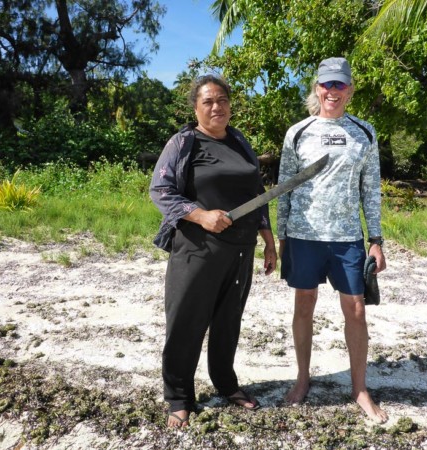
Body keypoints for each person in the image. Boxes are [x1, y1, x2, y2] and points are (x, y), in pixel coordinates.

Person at [149, 74, 277, 428]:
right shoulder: (184, 142)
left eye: (222, 100)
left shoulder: (240, 141)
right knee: (186, 323)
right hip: (197, 248)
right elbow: (161, 191)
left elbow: (257, 193)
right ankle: (178, 396)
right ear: (196, 107)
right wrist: (201, 215)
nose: (216, 106)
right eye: (208, 101)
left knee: (228, 322)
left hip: (240, 249)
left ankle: (225, 383)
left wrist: (268, 239)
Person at [277, 57, 388, 423]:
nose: (333, 92)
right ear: (317, 88)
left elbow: (371, 190)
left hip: (346, 238)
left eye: (340, 85)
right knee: (303, 305)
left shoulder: (365, 133)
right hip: (303, 236)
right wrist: (281, 236)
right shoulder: (298, 132)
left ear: (350, 90)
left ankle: (360, 389)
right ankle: (302, 379)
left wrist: (376, 239)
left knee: (356, 310)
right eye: (327, 85)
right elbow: (285, 188)